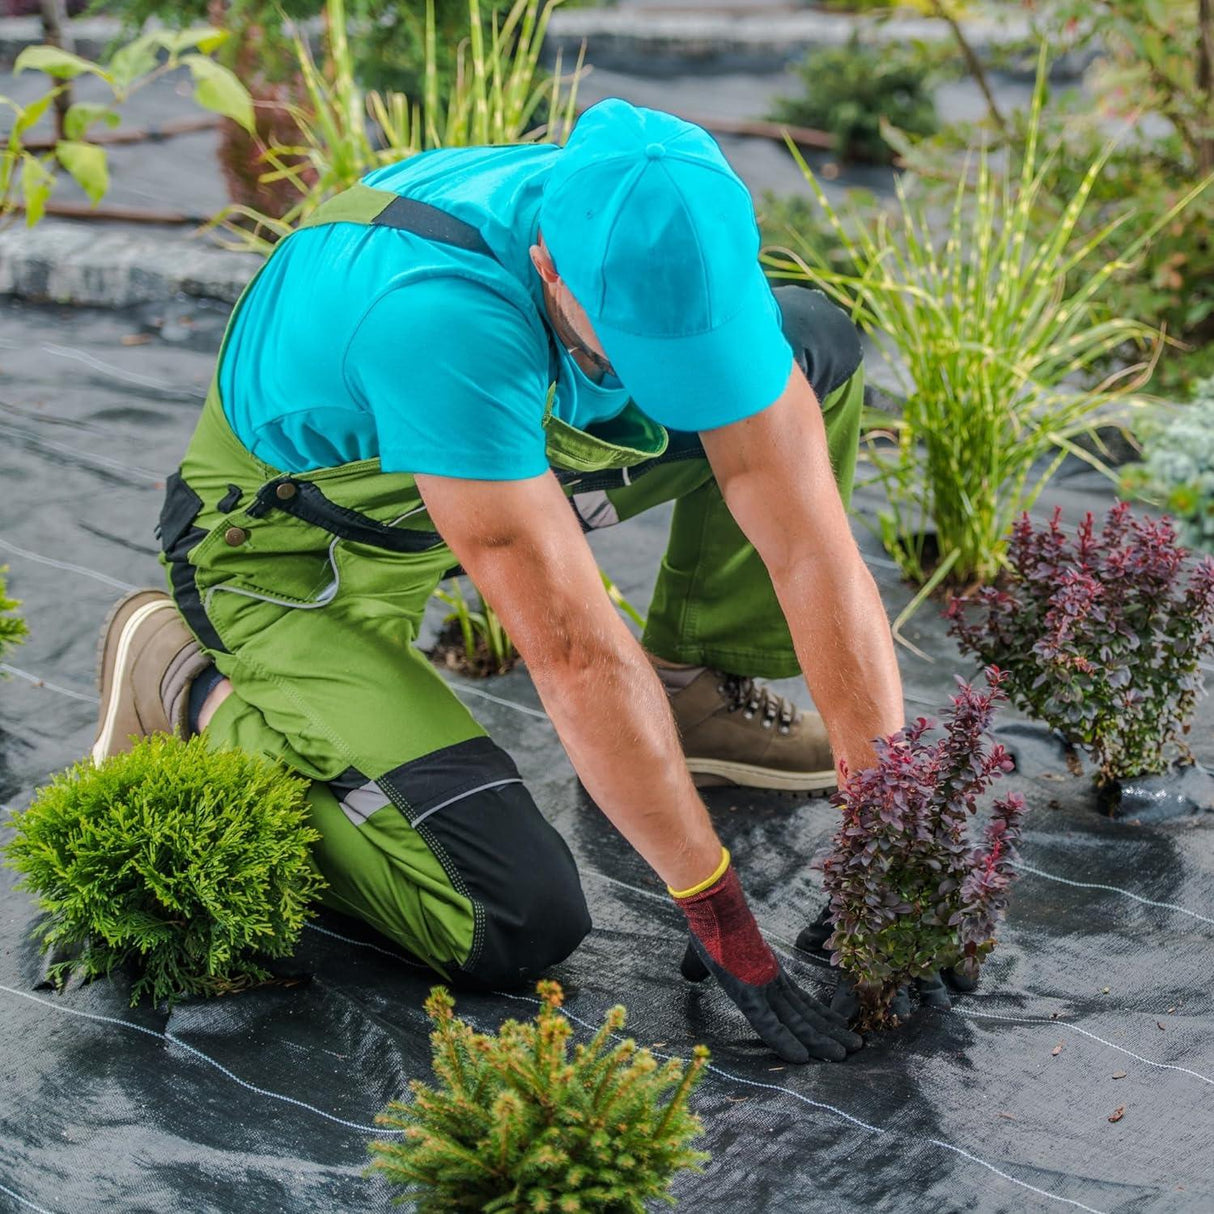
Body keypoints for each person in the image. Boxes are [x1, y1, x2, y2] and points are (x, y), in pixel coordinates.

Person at [91, 99, 903, 1063]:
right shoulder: (441, 315)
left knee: (815, 354)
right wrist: (715, 905)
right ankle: (192, 684)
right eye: (634, 352)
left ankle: (694, 690)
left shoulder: (656, 241)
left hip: (476, 470)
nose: (661, 380)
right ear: (552, 265)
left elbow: (813, 550)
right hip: (299, 562)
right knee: (511, 918)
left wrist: (890, 842)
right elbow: (569, 650)